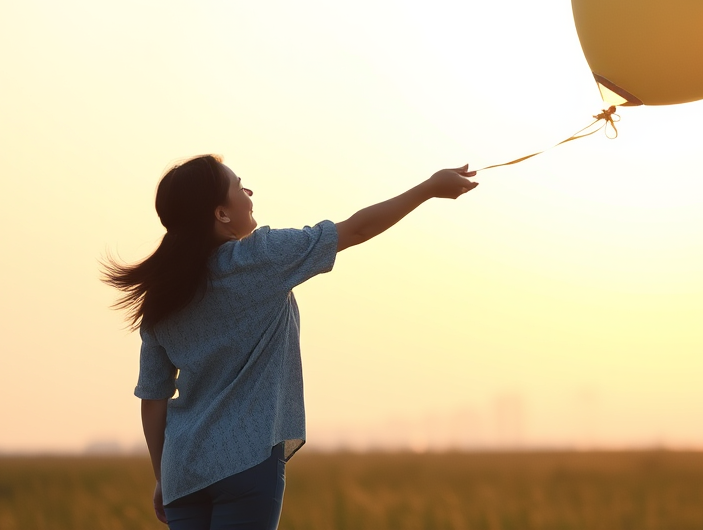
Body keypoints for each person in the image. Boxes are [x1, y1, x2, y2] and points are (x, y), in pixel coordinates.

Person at [103, 154, 478, 529]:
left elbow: (153, 400)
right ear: (221, 213)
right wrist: (429, 189)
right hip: (246, 463)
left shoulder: (161, 294)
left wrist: (163, 477)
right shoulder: (261, 257)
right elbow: (358, 229)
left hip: (181, 471)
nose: (248, 193)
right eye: (238, 186)